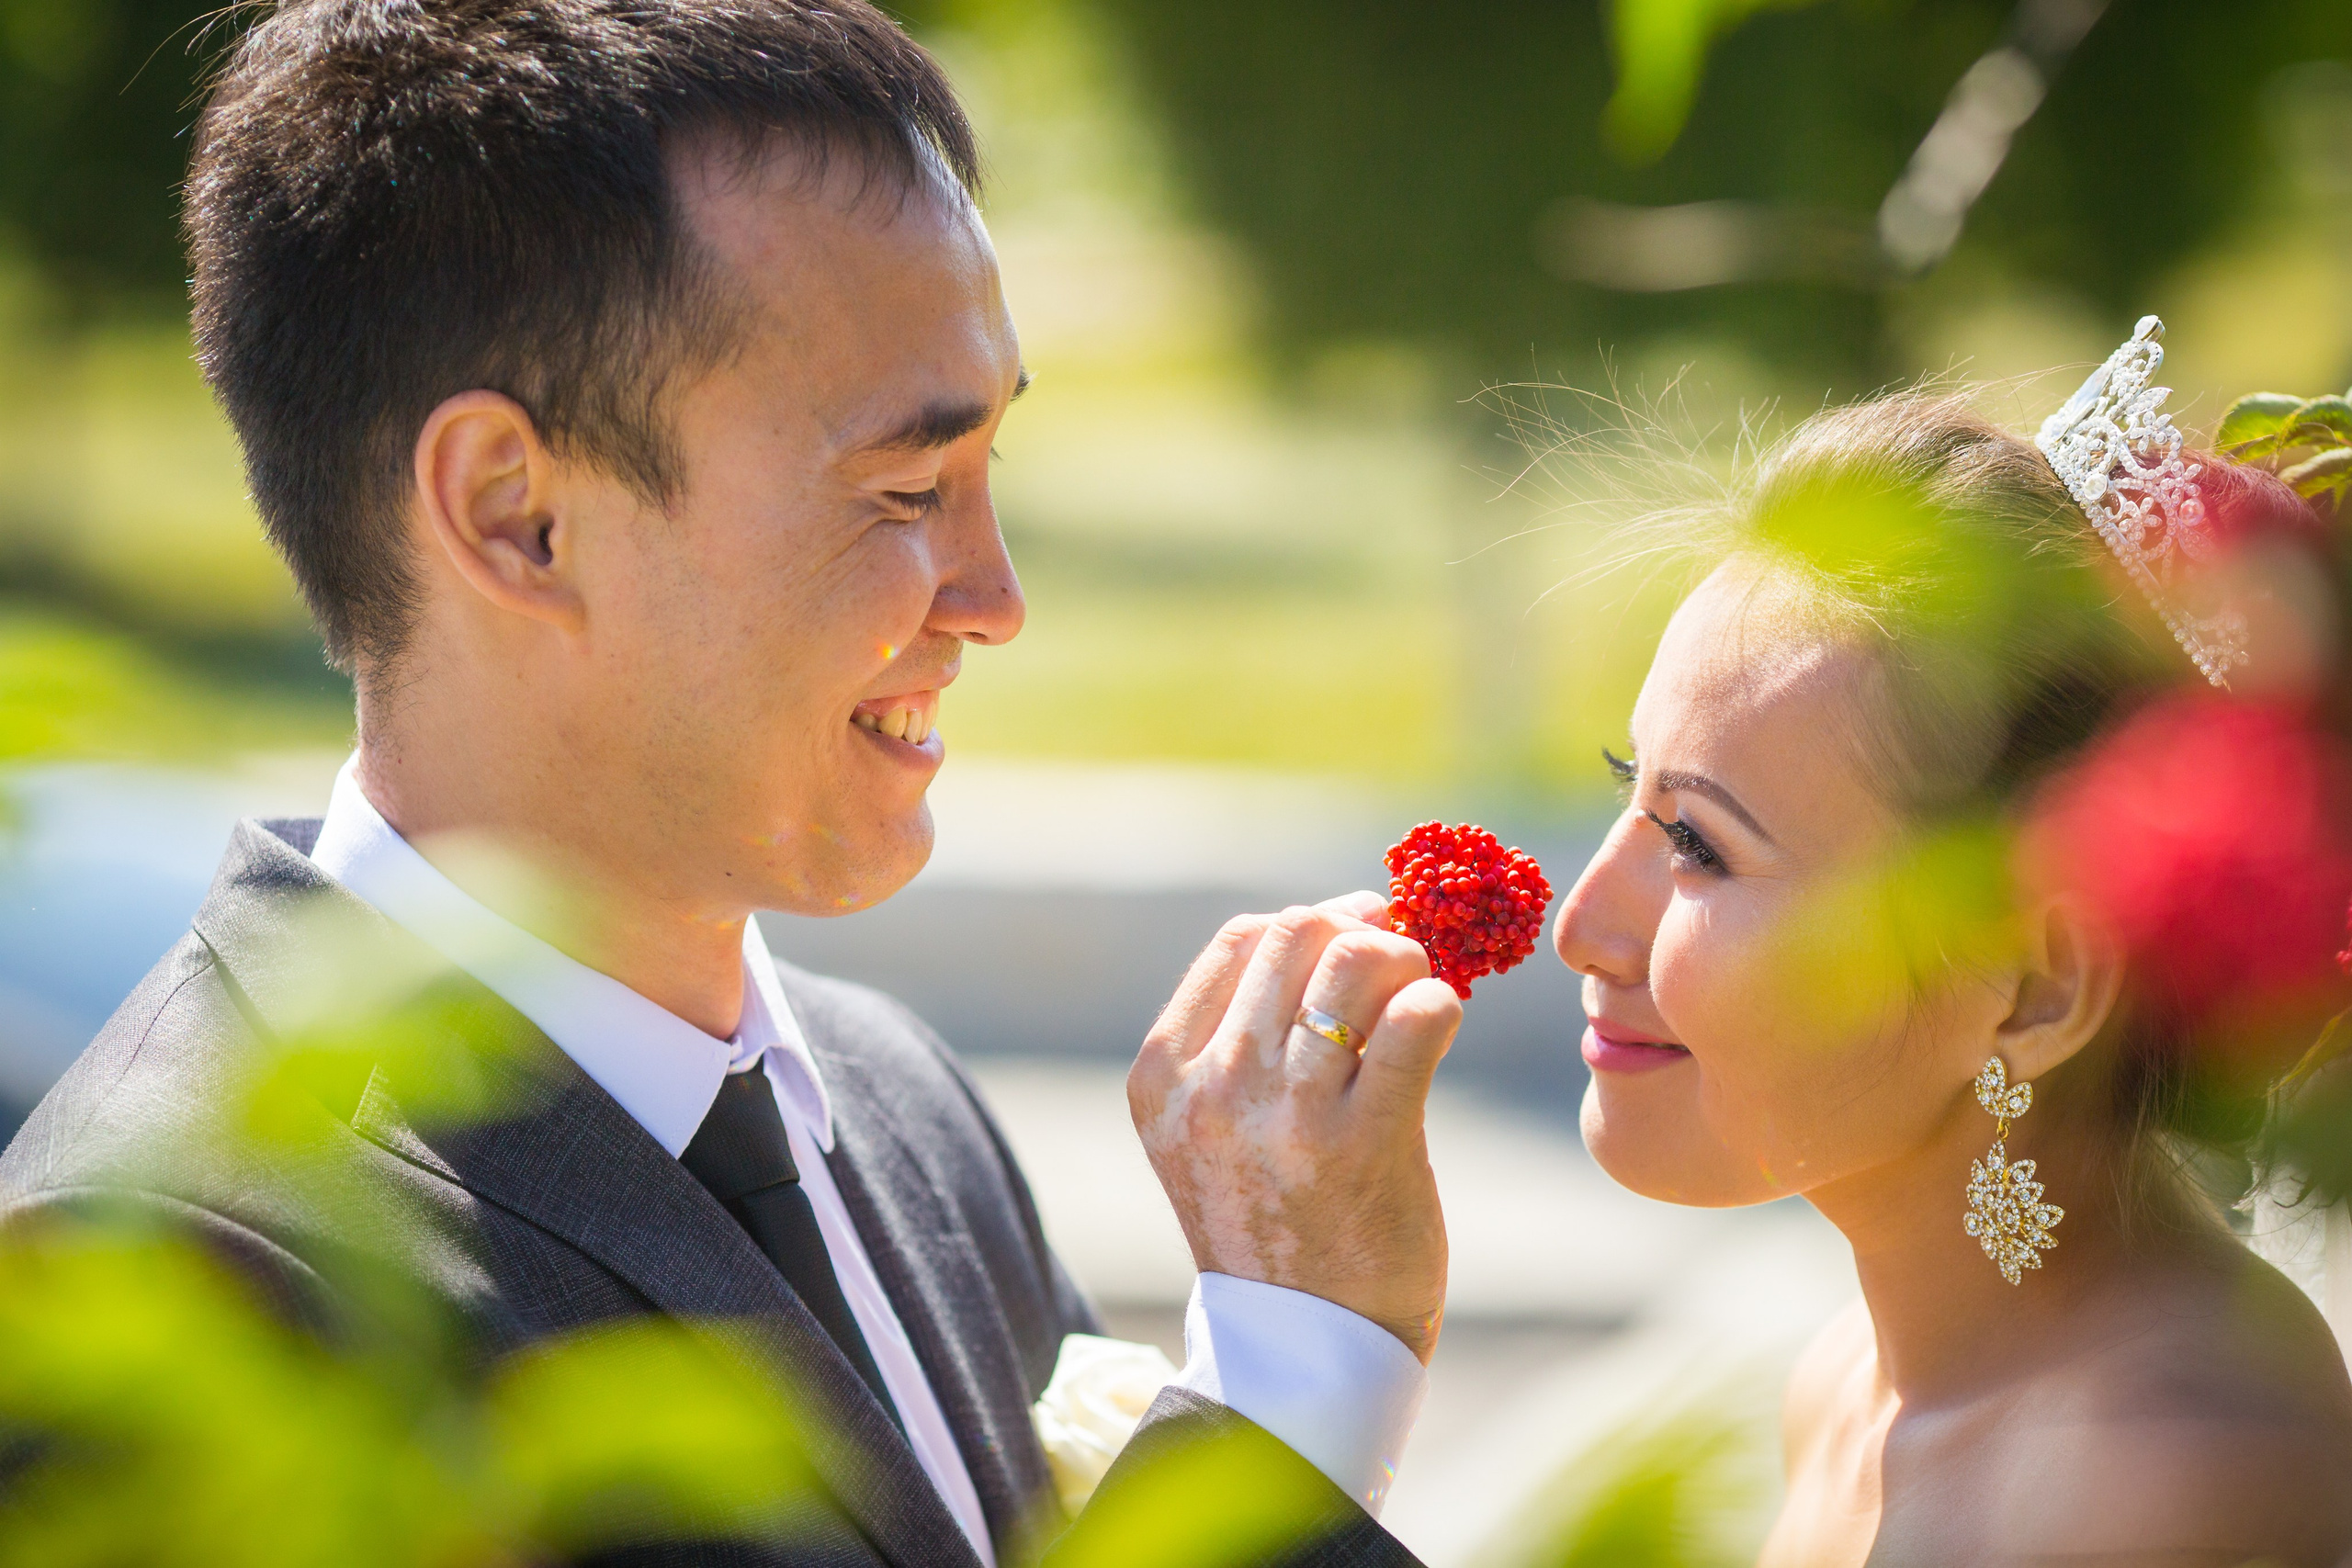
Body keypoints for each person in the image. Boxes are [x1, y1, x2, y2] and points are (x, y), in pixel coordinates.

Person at [0, 3, 1453, 1562]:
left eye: (986, 478)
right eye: (905, 489)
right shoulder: (160, 1286)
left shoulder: (896, 1100)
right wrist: (1295, 1395)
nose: (994, 596)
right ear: (517, 515)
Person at [1552, 324, 2352, 1564]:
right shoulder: (1850, 1383)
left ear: (2033, 989)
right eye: (1627, 790)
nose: (1581, 925)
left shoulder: (2161, 1484)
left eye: (1699, 846)